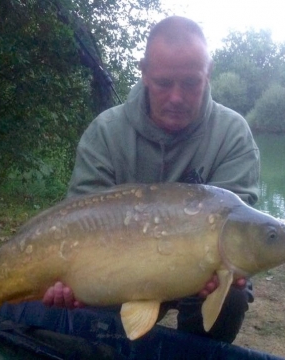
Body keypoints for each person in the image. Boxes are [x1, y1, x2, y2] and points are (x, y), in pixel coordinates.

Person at [43, 16, 260, 344]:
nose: (176, 97)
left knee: (231, 293)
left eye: (190, 83)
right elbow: (78, 219)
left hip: (198, 273)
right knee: (83, 297)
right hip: (119, 270)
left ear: (207, 73)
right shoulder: (106, 132)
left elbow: (239, 228)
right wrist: (66, 277)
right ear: (144, 72)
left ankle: (195, 353)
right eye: (163, 83)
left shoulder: (232, 134)